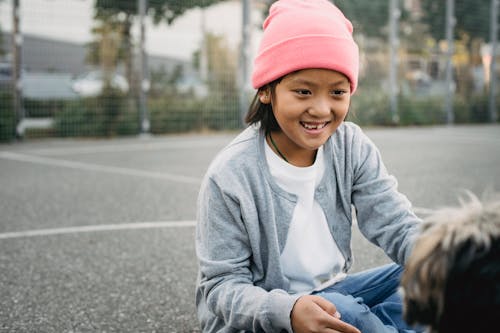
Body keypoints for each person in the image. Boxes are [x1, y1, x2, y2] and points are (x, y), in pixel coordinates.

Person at [195, 0, 422, 332]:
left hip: (333, 294)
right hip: (266, 315)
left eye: (337, 93)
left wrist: (450, 263)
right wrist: (288, 311)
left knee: (440, 273)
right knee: (349, 313)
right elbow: (221, 287)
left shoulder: (351, 146)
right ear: (266, 91)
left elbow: (398, 225)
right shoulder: (231, 174)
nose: (321, 109)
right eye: (303, 91)